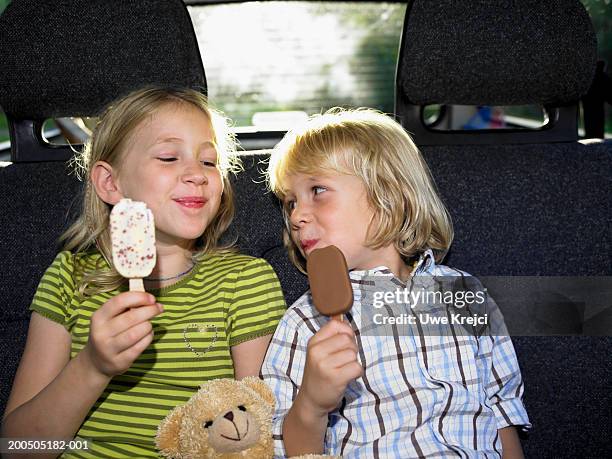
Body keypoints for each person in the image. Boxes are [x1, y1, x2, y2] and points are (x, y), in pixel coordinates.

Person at [2, 87, 286, 458]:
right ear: (110, 183)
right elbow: (18, 448)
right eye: (169, 157)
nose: (197, 175)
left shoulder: (245, 282)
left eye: (209, 161)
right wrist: (92, 367)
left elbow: (259, 435)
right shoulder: (70, 279)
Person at [260, 108, 531, 458]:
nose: (296, 215)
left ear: (389, 196)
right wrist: (311, 404)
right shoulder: (306, 322)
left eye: (318, 190)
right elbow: (282, 446)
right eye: (290, 202)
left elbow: (501, 411)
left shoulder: (468, 295)